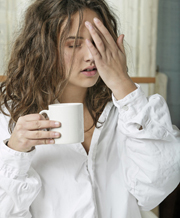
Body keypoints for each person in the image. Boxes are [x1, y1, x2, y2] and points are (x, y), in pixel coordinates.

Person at [0, 0, 179, 217]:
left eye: (97, 42)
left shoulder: (128, 111)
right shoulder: (11, 118)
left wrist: (122, 82)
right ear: (42, 48)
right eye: (74, 45)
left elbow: (158, 188)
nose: (91, 55)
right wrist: (15, 153)